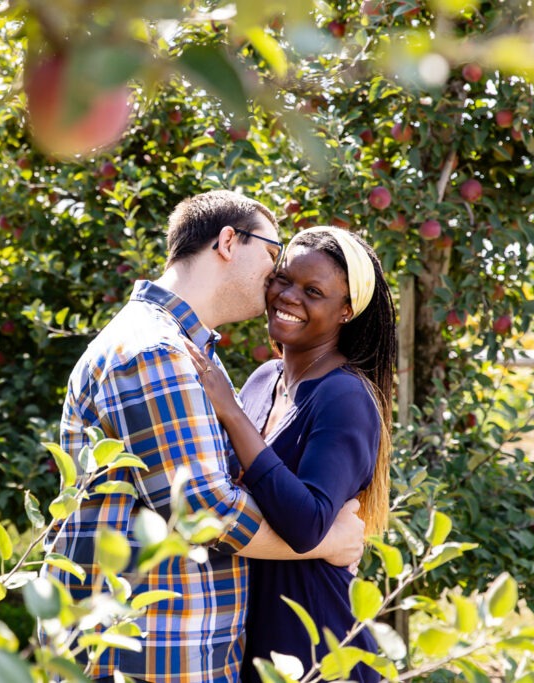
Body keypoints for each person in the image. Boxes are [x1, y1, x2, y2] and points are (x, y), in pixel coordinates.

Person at [45, 192, 367, 683]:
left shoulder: (189, 351)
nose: (275, 275)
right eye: (271, 253)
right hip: (149, 654)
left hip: (175, 649)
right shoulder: (155, 351)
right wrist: (326, 542)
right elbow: (205, 508)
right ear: (227, 242)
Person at [186, 226, 397, 683]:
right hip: (251, 631)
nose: (288, 296)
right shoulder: (264, 379)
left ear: (346, 311)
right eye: (283, 279)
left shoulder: (344, 397)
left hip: (315, 640)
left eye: (313, 291)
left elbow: (306, 523)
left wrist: (231, 414)